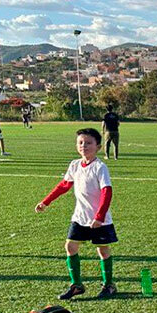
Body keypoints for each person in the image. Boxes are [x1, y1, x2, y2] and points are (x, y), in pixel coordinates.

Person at [35, 128, 117, 300]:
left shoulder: (100, 167)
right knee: (70, 247)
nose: (84, 146)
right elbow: (64, 185)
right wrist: (45, 201)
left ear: (98, 147)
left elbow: (106, 192)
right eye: (80, 142)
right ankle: (76, 285)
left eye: (88, 143)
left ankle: (109, 285)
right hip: (80, 216)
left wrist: (99, 217)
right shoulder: (74, 165)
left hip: (98, 219)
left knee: (103, 250)